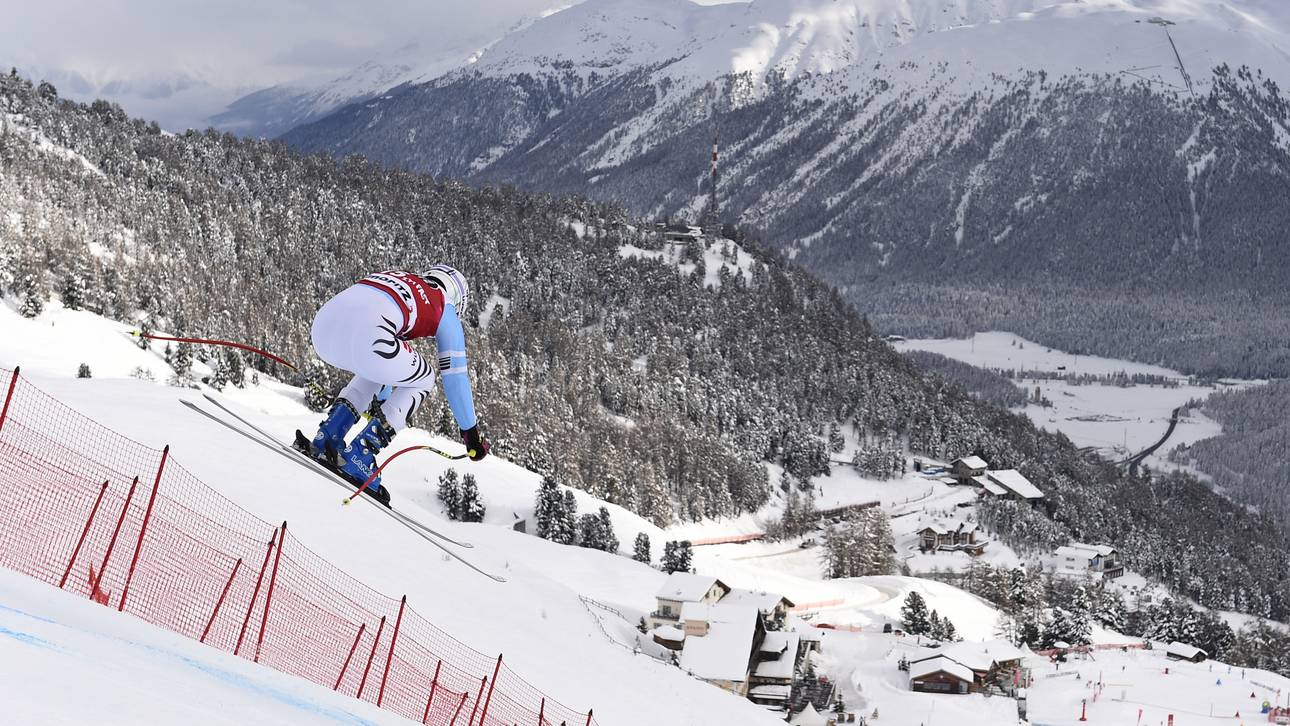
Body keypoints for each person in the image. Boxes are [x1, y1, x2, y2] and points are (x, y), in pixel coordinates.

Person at [299, 266, 488, 506]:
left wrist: (381, 397)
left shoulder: (402, 276)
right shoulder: (443, 305)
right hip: (370, 336)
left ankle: (328, 435)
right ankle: (361, 454)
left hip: (322, 330)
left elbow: (381, 363)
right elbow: (455, 375)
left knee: (379, 356)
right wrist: (471, 433)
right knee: (425, 377)